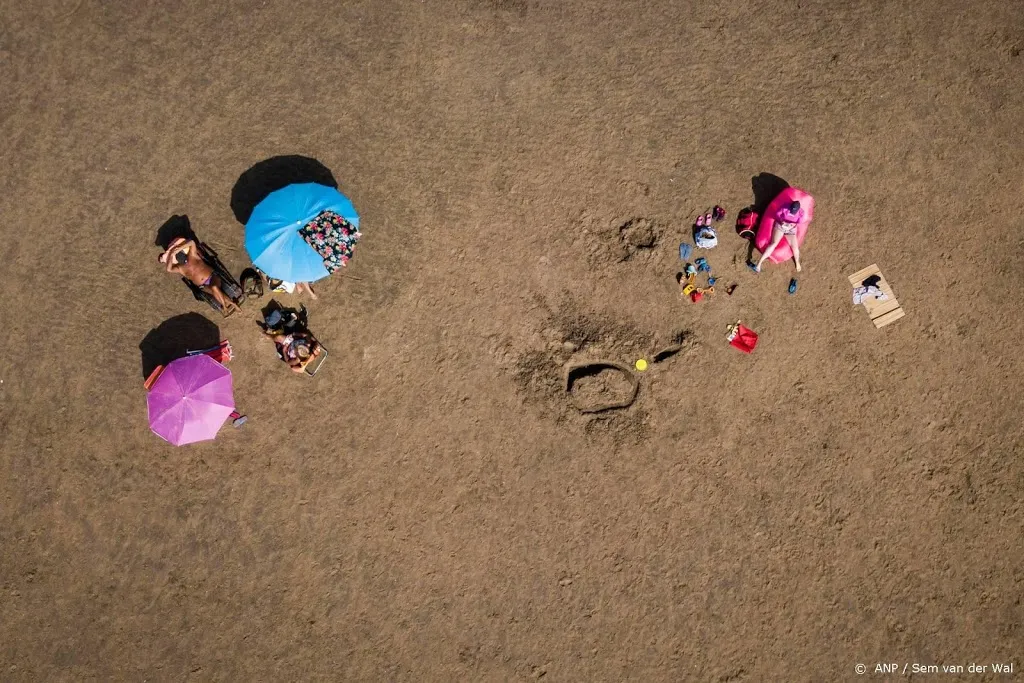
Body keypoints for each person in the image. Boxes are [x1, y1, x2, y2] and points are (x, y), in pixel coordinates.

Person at [159, 237, 242, 315]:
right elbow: (169, 269)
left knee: (214, 288)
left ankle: (225, 307)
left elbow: (191, 242)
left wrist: (179, 248)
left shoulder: (192, 256)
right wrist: (171, 254)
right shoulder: (180, 268)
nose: (185, 261)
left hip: (212, 277)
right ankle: (233, 304)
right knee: (214, 291)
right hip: (202, 286)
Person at [754, 200, 803, 272]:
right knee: (773, 244)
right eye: (791, 211)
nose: (791, 213)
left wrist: (792, 225)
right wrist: (782, 222)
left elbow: (798, 223)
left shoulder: (801, 213)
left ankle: (797, 262)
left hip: (791, 230)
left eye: (793, 212)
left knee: (795, 247)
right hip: (781, 226)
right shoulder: (784, 207)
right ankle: (759, 263)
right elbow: (777, 215)